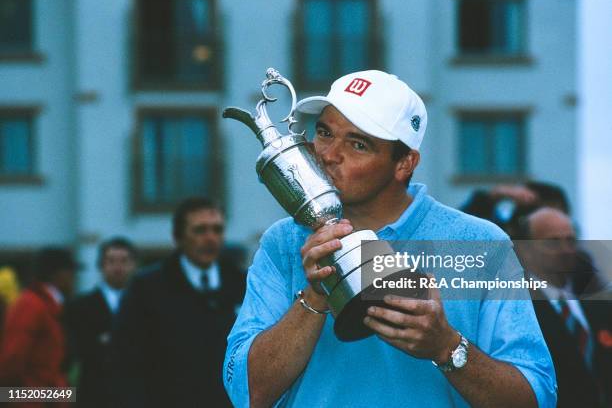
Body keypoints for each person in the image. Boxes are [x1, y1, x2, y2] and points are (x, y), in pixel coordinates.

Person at [223, 70, 556, 407]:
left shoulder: (480, 243)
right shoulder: (283, 242)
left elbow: (536, 397)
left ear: (405, 164)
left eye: (357, 144)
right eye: (324, 132)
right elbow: (246, 392)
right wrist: (315, 295)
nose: (327, 154)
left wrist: (446, 347)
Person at [112, 198, 245, 407]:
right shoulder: (147, 289)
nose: (210, 238)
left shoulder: (242, 283)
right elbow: (126, 361)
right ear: (178, 237)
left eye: (217, 230)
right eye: (200, 230)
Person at [516, 207, 611, 407]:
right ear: (525, 250)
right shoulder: (517, 307)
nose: (566, 250)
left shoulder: (597, 303)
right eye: (553, 242)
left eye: (570, 240)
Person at [64, 237, 138, 408]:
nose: (118, 267)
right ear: (101, 266)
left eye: (124, 261)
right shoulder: (81, 306)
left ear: (134, 266)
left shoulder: (146, 304)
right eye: (111, 261)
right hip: (94, 394)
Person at [0, 248, 78, 397]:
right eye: (70, 271)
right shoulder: (32, 305)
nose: (73, 277)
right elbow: (11, 362)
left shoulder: (47, 305)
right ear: (57, 274)